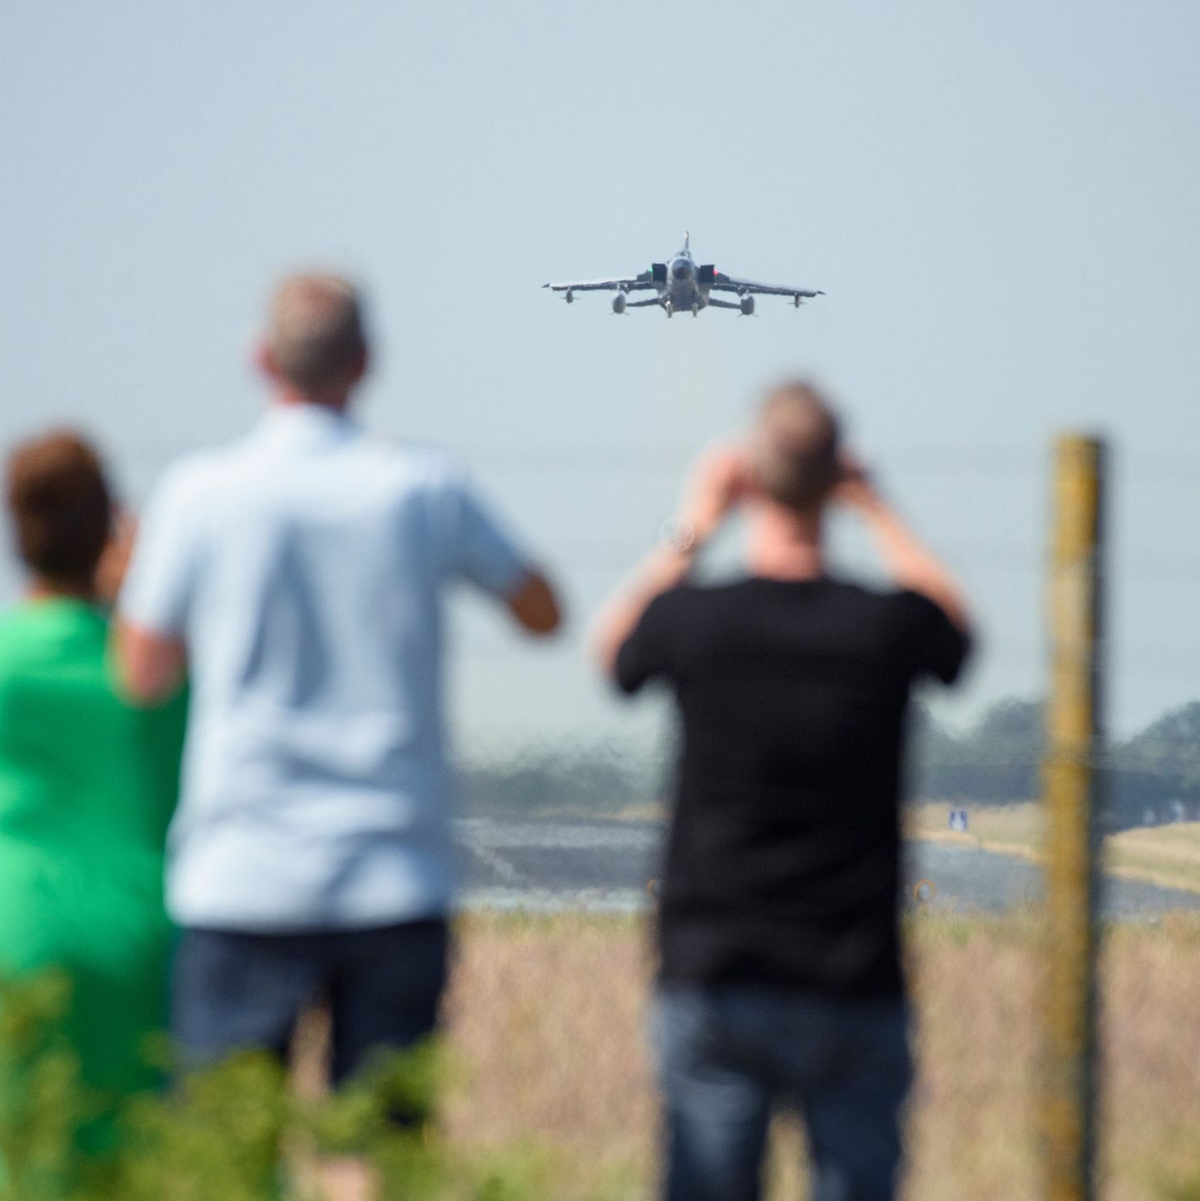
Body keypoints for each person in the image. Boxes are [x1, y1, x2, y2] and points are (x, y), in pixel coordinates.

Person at [114, 273, 560, 1117]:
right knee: (381, 1149)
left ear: (259, 358)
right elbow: (544, 611)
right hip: (393, 876)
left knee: (225, 1148)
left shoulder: (199, 492)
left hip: (240, 875)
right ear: (366, 362)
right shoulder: (425, 486)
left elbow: (141, 673)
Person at [592, 381, 971, 1201]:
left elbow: (612, 648)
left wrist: (694, 519)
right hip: (854, 975)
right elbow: (957, 631)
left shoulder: (696, 618)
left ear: (749, 476)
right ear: (837, 476)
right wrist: (877, 506)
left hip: (717, 971)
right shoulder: (885, 624)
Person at [0, 432, 186, 1167]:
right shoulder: (159, 676)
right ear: (111, 529)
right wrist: (135, 590)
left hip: (16, 931)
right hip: (141, 940)